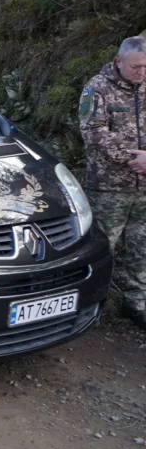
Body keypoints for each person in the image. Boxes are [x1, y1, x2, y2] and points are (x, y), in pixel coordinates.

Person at [79, 35, 146, 330]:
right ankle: (91, 306)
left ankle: (137, 304)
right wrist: (131, 158)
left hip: (143, 187)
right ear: (119, 62)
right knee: (102, 248)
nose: (141, 73)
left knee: (141, 247)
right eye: (136, 67)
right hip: (108, 188)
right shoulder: (98, 89)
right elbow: (93, 132)